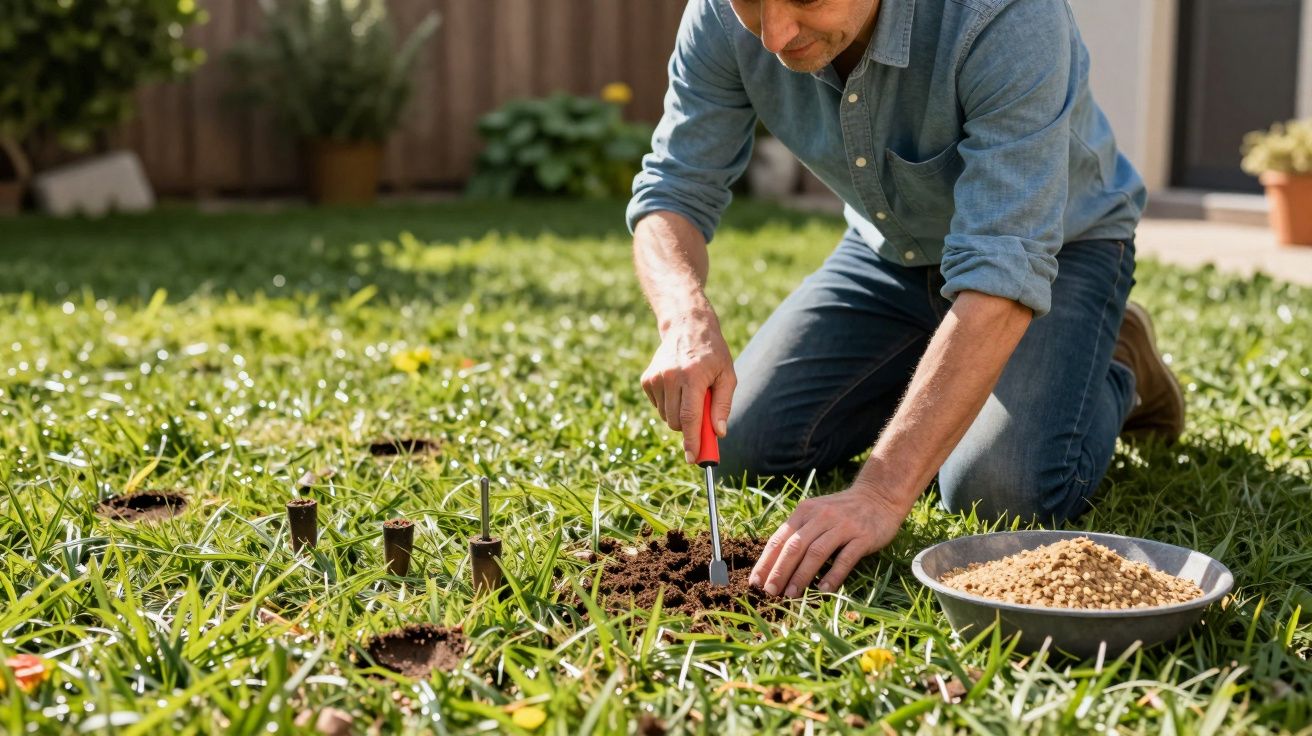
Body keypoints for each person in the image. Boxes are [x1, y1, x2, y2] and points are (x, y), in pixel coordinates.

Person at [628, 0, 1185, 598]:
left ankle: (1117, 363)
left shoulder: (1007, 15)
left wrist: (881, 491)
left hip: (1056, 252)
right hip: (892, 250)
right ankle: (944, 356)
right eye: (750, 4)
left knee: (997, 489)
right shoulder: (717, 15)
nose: (775, 35)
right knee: (744, 440)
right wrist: (684, 313)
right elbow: (674, 186)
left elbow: (1003, 266)